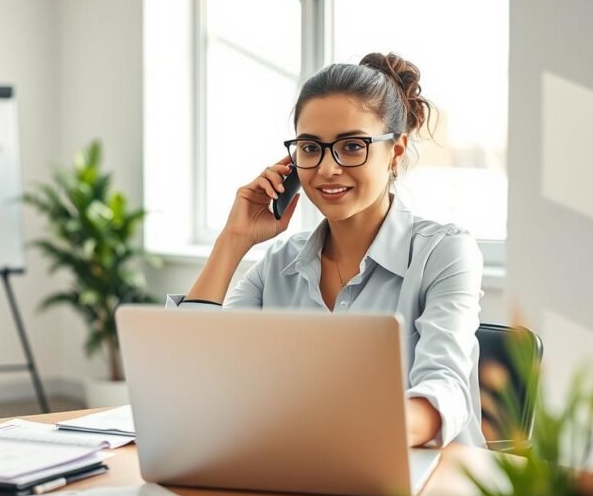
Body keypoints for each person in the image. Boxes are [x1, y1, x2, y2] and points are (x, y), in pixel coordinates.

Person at [168, 53, 485, 448]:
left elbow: (444, 390)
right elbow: (190, 380)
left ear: (396, 153)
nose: (328, 168)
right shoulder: (279, 266)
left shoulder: (444, 253)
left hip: (431, 483)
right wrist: (232, 240)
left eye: (352, 147)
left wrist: (328, 429)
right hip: (310, 474)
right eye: (310, 148)